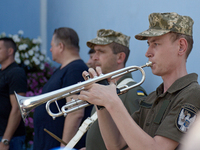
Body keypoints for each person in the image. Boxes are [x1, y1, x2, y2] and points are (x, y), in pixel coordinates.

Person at [78, 12, 200, 150]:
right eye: (148, 44)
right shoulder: (153, 98)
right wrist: (101, 104)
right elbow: (115, 145)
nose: (147, 52)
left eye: (156, 44)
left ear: (181, 47)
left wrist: (113, 102)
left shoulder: (193, 94)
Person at [80, 29, 147, 150]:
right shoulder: (102, 89)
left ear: (120, 57)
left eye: (100, 52)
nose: (94, 57)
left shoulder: (132, 93)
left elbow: (136, 143)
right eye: (95, 52)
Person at [33, 27, 92, 150]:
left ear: (60, 46)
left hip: (59, 146)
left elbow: (75, 112)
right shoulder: (63, 69)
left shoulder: (75, 69)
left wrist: (65, 147)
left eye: (52, 46)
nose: (50, 49)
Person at [0, 37, 27, 150]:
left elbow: (17, 108)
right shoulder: (2, 72)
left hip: (11, 139)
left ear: (10, 51)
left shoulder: (16, 73)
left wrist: (5, 140)